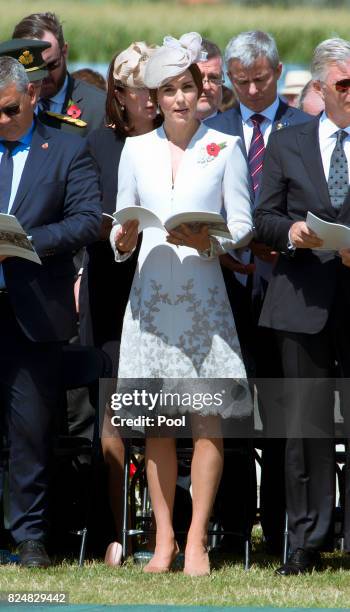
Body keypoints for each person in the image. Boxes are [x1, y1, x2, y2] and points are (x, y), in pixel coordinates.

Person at [110, 32, 253, 576]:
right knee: (156, 425)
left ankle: (197, 541)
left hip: (202, 301)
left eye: (186, 88)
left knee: (206, 421)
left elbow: (241, 225)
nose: (177, 99)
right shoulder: (135, 148)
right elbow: (123, 224)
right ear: (156, 97)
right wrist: (121, 241)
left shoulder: (225, 147)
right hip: (149, 300)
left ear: (200, 92)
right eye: (167, 90)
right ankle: (164, 540)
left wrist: (210, 242)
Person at [206, 30, 310, 554]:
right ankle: (229, 531)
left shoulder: (306, 128)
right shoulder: (213, 129)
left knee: (283, 412)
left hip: (288, 284)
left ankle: (280, 531)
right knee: (232, 412)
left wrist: (283, 244)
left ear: (279, 71)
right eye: (240, 81)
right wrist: (218, 250)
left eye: (261, 80)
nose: (250, 90)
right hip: (226, 283)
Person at [0, 56, 101, 567]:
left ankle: (30, 536)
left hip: (33, 310)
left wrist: (24, 242)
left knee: (31, 430)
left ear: (33, 98)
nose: (0, 120)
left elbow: (86, 221)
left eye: (9, 110)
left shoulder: (65, 147)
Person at [254, 37, 350, 575]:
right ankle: (304, 539)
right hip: (300, 300)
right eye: (344, 84)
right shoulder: (289, 142)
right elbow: (262, 217)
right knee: (304, 426)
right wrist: (291, 231)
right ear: (319, 88)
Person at [79, 41, 160, 565]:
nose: (154, 101)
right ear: (119, 95)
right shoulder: (96, 144)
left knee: (159, 417)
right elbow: (86, 213)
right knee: (112, 416)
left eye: (161, 90)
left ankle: (160, 527)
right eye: (144, 92)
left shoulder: (175, 140)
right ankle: (117, 530)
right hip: (110, 289)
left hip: (162, 288)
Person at [12, 12, 106, 136]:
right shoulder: (8, 105)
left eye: (51, 65)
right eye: (34, 69)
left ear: (64, 52)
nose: (44, 76)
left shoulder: (98, 108)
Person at [195, 38, 224, 121]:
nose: (206, 86)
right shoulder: (159, 130)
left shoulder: (241, 130)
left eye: (213, 78)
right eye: (198, 78)